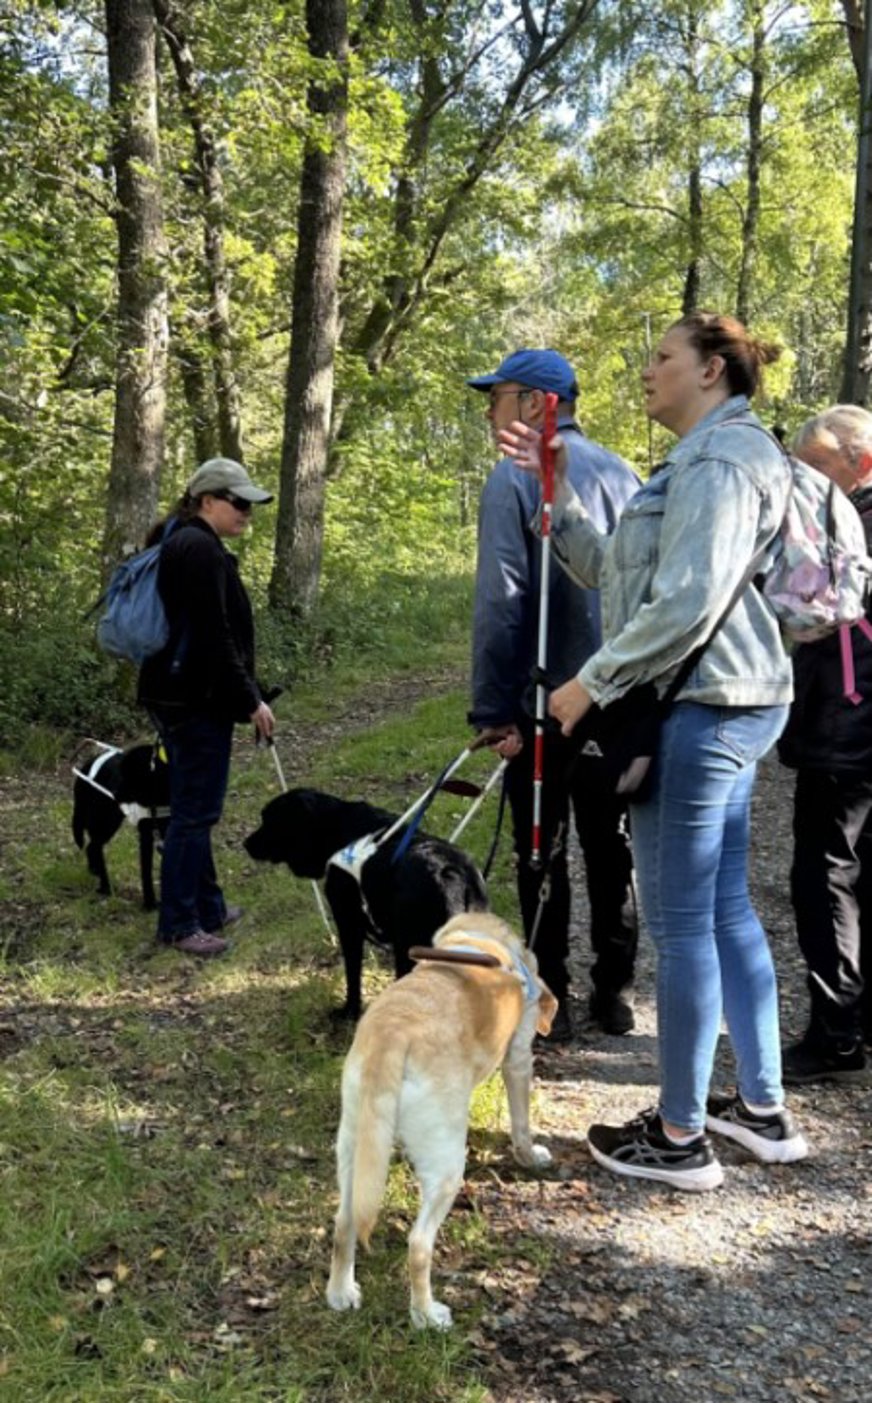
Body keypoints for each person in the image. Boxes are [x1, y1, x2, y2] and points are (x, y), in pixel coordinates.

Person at [501, 312, 809, 1190]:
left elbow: (687, 600)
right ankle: (759, 1107)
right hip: (728, 700)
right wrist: (550, 495)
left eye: (661, 356)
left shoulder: (719, 459)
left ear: (711, 370)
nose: (646, 370)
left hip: (707, 705)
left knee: (680, 923)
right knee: (721, 910)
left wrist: (588, 683)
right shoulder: (702, 457)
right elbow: (617, 573)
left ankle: (678, 1135)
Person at [466, 349, 640, 1043]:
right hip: (617, 697)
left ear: (536, 402)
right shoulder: (626, 473)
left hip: (544, 700)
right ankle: (616, 991)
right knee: (611, 843)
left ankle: (553, 996)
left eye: (498, 395)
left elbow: (501, 601)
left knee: (541, 846)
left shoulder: (515, 475)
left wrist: (492, 708)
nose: (488, 410)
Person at [138, 457, 276, 957]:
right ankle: (178, 923)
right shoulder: (198, 549)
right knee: (194, 814)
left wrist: (246, 691)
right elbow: (214, 638)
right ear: (208, 501)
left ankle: (208, 906)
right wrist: (251, 700)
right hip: (192, 700)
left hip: (181, 695)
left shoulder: (187, 540)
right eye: (238, 502)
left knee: (193, 808)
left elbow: (212, 636)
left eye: (250, 504)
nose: (246, 512)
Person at [777, 405, 872, 1081]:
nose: (803, 480)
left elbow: (805, 610)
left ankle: (837, 1032)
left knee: (824, 875)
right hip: (849, 719)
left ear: (858, 463)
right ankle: (853, 1026)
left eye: (815, 466)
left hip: (848, 726)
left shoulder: (848, 527)